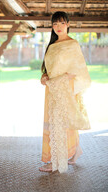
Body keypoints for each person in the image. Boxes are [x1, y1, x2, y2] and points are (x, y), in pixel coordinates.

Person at [39, 11, 91, 173]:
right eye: (55, 24)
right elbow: (50, 68)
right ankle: (75, 151)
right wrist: (44, 76)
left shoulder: (72, 45)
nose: (58, 27)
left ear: (68, 24)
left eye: (61, 23)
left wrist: (59, 80)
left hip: (66, 89)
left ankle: (56, 161)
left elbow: (78, 71)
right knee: (56, 123)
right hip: (52, 90)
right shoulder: (52, 46)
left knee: (61, 123)